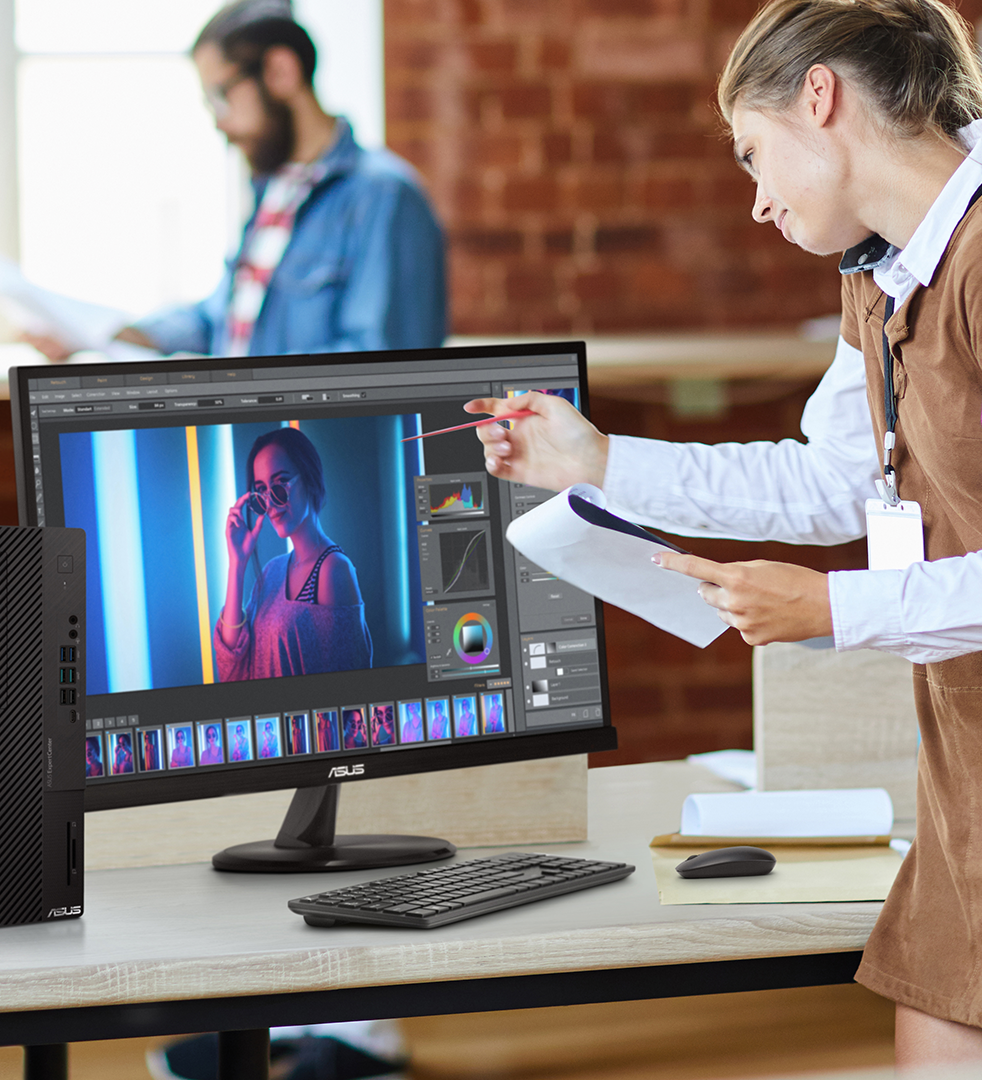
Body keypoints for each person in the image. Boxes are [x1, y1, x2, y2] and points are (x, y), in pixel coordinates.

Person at [468, 0, 982, 1063]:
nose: (756, 200)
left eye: (753, 154)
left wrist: (831, 607)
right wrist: (596, 463)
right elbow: (835, 484)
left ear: (821, 96)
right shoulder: (881, 273)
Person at [30, 0, 446, 363]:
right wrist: (107, 332)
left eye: (221, 96)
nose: (218, 122)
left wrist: (240, 385)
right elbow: (222, 321)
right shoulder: (276, 192)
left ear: (280, 72)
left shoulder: (384, 196)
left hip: (319, 449)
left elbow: (385, 363)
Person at [215, 426, 371, 680]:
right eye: (262, 492)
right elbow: (231, 662)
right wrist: (237, 565)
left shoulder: (332, 570)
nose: (272, 503)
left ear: (308, 477)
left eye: (280, 485)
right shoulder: (272, 571)